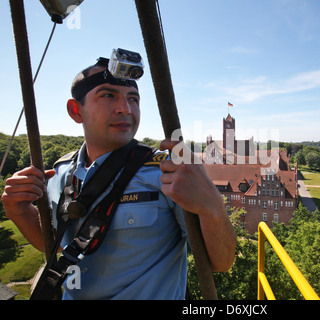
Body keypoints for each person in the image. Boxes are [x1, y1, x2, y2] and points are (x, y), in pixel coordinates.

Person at [1, 57, 236, 300]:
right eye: (108, 95)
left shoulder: (166, 173)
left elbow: (220, 262)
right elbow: (56, 245)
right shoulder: (61, 173)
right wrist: (18, 211)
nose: (125, 108)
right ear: (75, 110)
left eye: (133, 99)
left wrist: (212, 206)